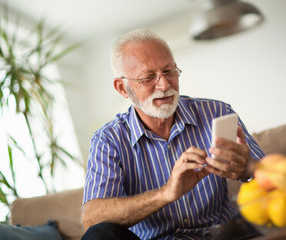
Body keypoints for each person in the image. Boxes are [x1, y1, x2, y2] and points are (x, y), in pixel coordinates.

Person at [81, 28, 265, 240]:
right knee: (100, 235)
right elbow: (92, 219)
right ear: (122, 88)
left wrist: (248, 169)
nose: (165, 84)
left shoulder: (217, 113)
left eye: (169, 71)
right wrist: (166, 193)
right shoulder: (108, 140)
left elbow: (272, 175)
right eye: (149, 77)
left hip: (222, 235)